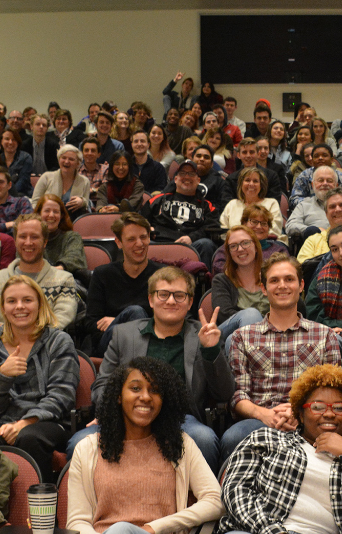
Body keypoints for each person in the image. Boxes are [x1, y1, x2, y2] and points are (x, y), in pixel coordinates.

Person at [77, 267, 232, 472]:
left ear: (190, 302)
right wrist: (110, 411)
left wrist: (210, 350)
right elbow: (103, 383)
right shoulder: (124, 334)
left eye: (179, 295)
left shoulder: (204, 335)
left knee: (203, 438)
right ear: (150, 300)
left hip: (181, 418)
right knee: (79, 442)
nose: (170, 301)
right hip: (128, 416)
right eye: (163, 294)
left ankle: (202, 501)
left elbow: (224, 393)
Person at [219, 364, 342, 534]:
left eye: (339, 408)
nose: (329, 414)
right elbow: (235, 491)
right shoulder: (265, 440)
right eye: (317, 407)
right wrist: (272, 531)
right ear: (301, 414)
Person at [67, 357, 224, 534]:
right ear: (119, 396)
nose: (146, 397)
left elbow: (215, 500)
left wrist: (155, 527)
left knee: (121, 529)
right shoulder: (87, 449)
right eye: (135, 388)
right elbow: (77, 521)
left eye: (155, 391)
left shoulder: (180, 444)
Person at [224, 254, 342, 455]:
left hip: (311, 419)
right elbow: (238, 396)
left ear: (301, 285)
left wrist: (300, 413)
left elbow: (331, 391)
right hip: (258, 420)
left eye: (289, 279)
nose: (282, 286)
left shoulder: (325, 335)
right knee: (233, 437)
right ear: (263, 288)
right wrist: (266, 415)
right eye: (274, 280)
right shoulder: (242, 337)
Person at [0, 275, 78, 480]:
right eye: (11, 301)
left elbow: (62, 395)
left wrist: (24, 423)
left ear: (39, 304)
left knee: (30, 437)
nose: (20, 307)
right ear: (2, 308)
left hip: (49, 423)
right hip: (4, 422)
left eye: (27, 300)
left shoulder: (59, 341)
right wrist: (2, 375)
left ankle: (41, 505)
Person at [0, 214, 81, 341]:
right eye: (23, 237)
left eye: (34, 237)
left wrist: (25, 334)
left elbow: (60, 320)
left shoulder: (64, 280)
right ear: (15, 241)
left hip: (44, 346)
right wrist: (9, 333)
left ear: (45, 242)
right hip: (1, 344)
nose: (28, 243)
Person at [85, 213, 166, 356]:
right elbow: (92, 325)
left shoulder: (162, 275)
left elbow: (176, 318)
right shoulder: (102, 274)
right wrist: (122, 323)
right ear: (119, 243)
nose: (139, 244)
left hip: (155, 342)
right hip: (110, 346)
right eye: (131, 239)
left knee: (135, 314)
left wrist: (119, 322)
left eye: (143, 237)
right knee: (135, 312)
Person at [143, 160, 224, 261]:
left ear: (198, 180)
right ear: (175, 179)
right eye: (182, 173)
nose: (187, 177)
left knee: (206, 244)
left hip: (191, 245)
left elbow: (212, 227)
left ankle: (203, 276)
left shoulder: (207, 205)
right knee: (143, 243)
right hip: (160, 241)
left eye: (191, 174)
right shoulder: (158, 199)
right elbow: (139, 219)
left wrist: (191, 238)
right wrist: (146, 228)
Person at [286, 166, 342, 244]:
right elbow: (290, 227)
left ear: (336, 185)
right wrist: (313, 230)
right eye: (320, 180)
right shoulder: (303, 205)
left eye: (329, 180)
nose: (325, 183)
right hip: (315, 249)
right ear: (313, 184)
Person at [219, 167, 283, 240]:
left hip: (267, 245)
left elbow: (274, 231)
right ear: (241, 184)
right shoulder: (232, 204)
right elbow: (224, 232)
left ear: (261, 185)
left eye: (255, 181)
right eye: (247, 180)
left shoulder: (272, 203)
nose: (251, 184)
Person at [34, 145, 92, 220]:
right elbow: (35, 202)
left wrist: (82, 202)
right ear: (59, 160)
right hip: (47, 219)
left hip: (72, 221)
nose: (66, 161)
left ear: (78, 163)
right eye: (63, 158)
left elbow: (86, 204)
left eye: (71, 159)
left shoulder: (85, 181)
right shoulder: (46, 177)